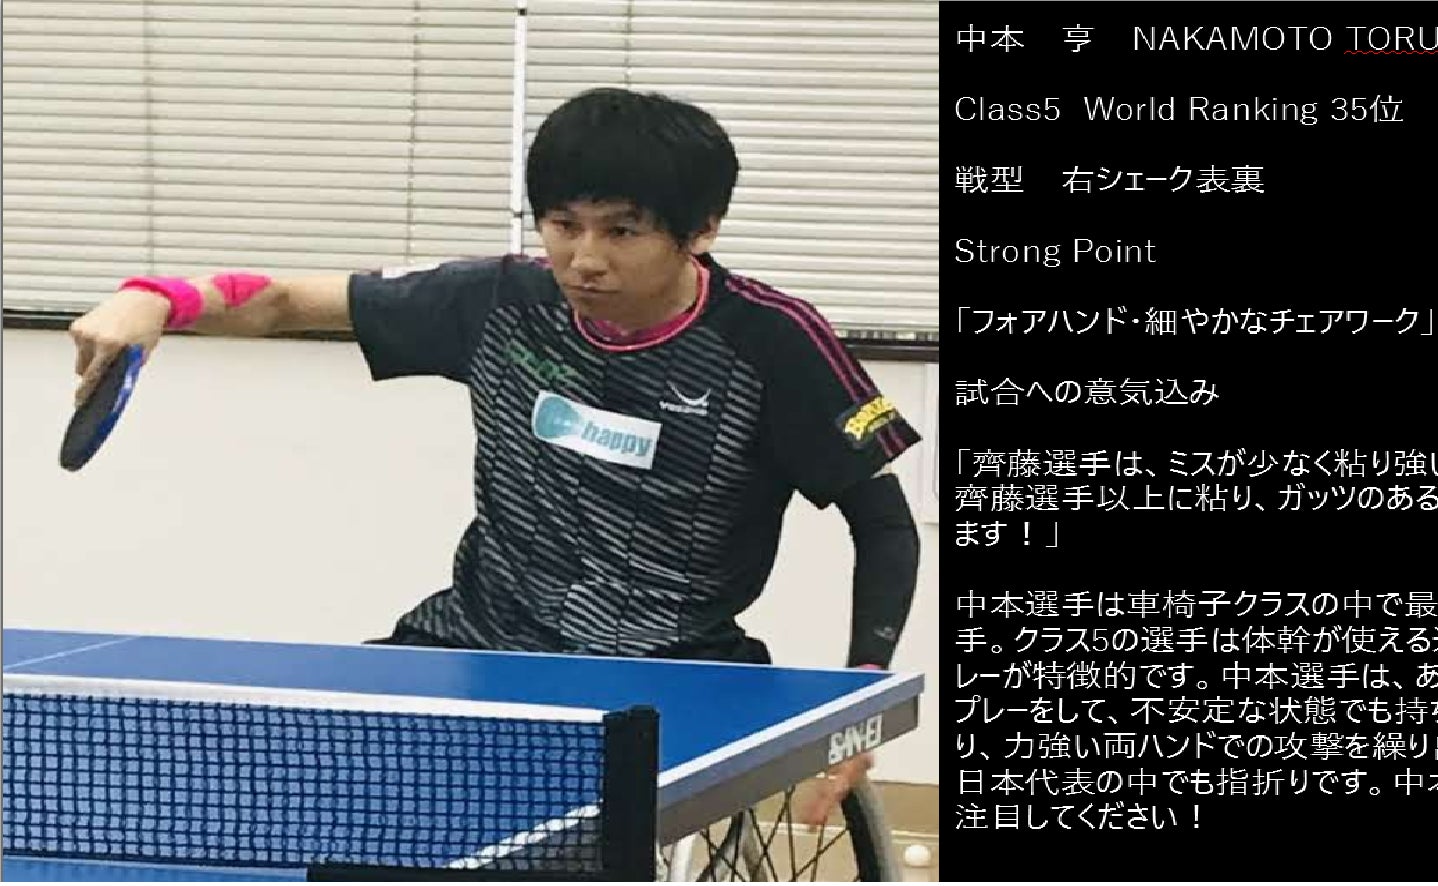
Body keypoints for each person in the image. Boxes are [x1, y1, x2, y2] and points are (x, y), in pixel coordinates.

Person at [65, 87, 922, 826]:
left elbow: (885, 525)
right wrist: (155, 299)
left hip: (669, 671)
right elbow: (289, 300)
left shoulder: (771, 342)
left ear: (700, 230)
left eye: (623, 231)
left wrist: (858, 695)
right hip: (477, 641)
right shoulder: (503, 304)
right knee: (296, 787)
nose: (585, 260)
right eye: (563, 226)